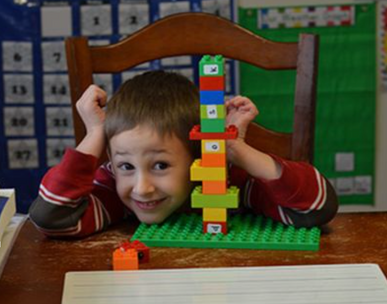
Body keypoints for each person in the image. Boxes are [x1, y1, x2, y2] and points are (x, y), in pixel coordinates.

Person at [29, 70, 338, 238]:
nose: (141, 187)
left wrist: (236, 150)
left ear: (197, 157)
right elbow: (51, 217)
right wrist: (95, 134)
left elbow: (316, 208)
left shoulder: (227, 181)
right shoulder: (114, 189)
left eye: (160, 165)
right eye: (125, 165)